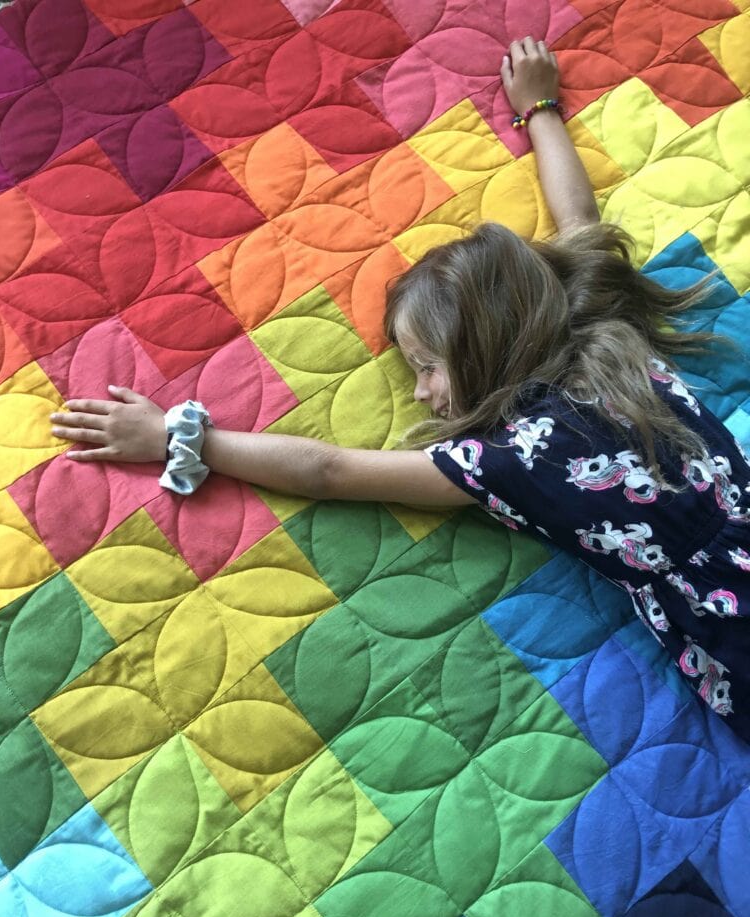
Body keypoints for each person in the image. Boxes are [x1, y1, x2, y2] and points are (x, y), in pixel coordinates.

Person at [50, 39, 750, 739]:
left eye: (426, 367)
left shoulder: (502, 462)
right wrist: (540, 110)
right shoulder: (606, 336)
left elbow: (329, 469)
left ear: (485, 347)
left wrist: (178, 435)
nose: (419, 394)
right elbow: (580, 224)